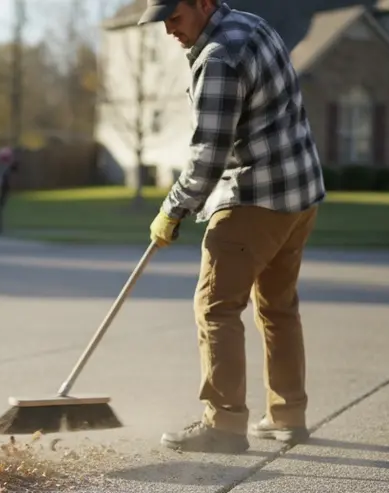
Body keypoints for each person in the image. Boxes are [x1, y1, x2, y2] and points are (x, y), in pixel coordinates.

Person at [137, 0, 325, 454]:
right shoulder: (253, 24)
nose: (168, 30)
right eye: (161, 20)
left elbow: (209, 153)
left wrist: (173, 208)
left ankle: (223, 425)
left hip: (255, 197)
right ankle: (287, 415)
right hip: (299, 195)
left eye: (174, 17)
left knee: (216, 308)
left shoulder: (219, 56)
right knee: (278, 307)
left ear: (202, 3)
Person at [0, 146, 18, 235]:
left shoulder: (4, 168)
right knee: (0, 209)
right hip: (4, 190)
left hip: (3, 190)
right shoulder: (5, 168)